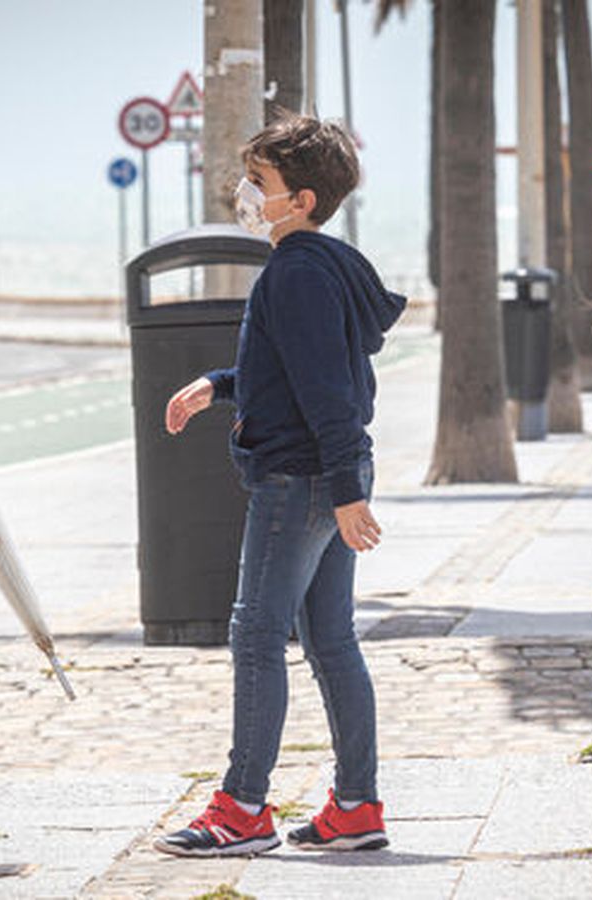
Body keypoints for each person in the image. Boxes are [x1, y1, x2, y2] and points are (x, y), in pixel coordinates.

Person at [154, 114, 405, 857]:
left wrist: (345, 487)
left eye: (258, 182)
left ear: (298, 200)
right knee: (330, 640)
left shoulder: (294, 273)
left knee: (257, 637)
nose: (244, 193)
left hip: (298, 480)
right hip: (324, 473)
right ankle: (355, 808)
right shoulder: (322, 266)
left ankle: (242, 809)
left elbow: (327, 390)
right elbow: (295, 373)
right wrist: (218, 383)